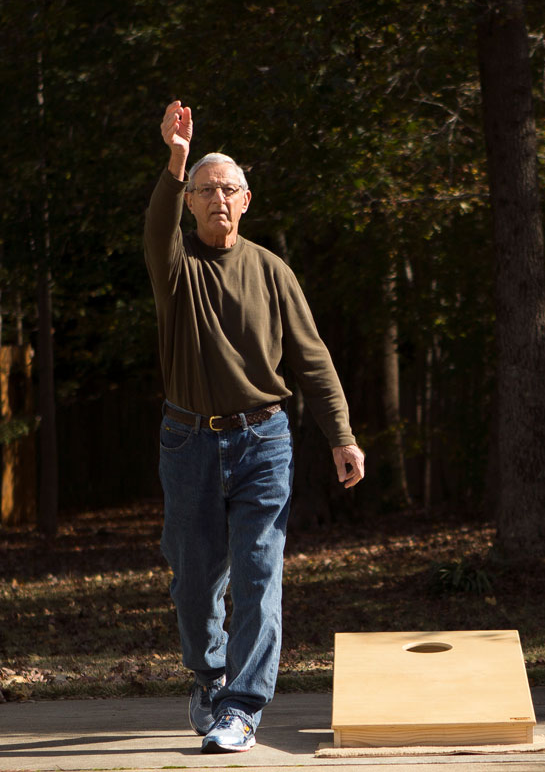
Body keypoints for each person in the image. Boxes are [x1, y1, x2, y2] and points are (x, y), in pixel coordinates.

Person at [146, 100, 366, 754]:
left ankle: (241, 707)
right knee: (193, 581)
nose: (217, 198)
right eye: (205, 190)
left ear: (247, 201)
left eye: (228, 190)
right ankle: (208, 674)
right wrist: (177, 159)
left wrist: (341, 436)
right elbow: (156, 230)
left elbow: (312, 359)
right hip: (187, 441)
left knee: (258, 572)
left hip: (263, 440)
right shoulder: (177, 270)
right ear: (189, 202)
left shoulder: (272, 271)